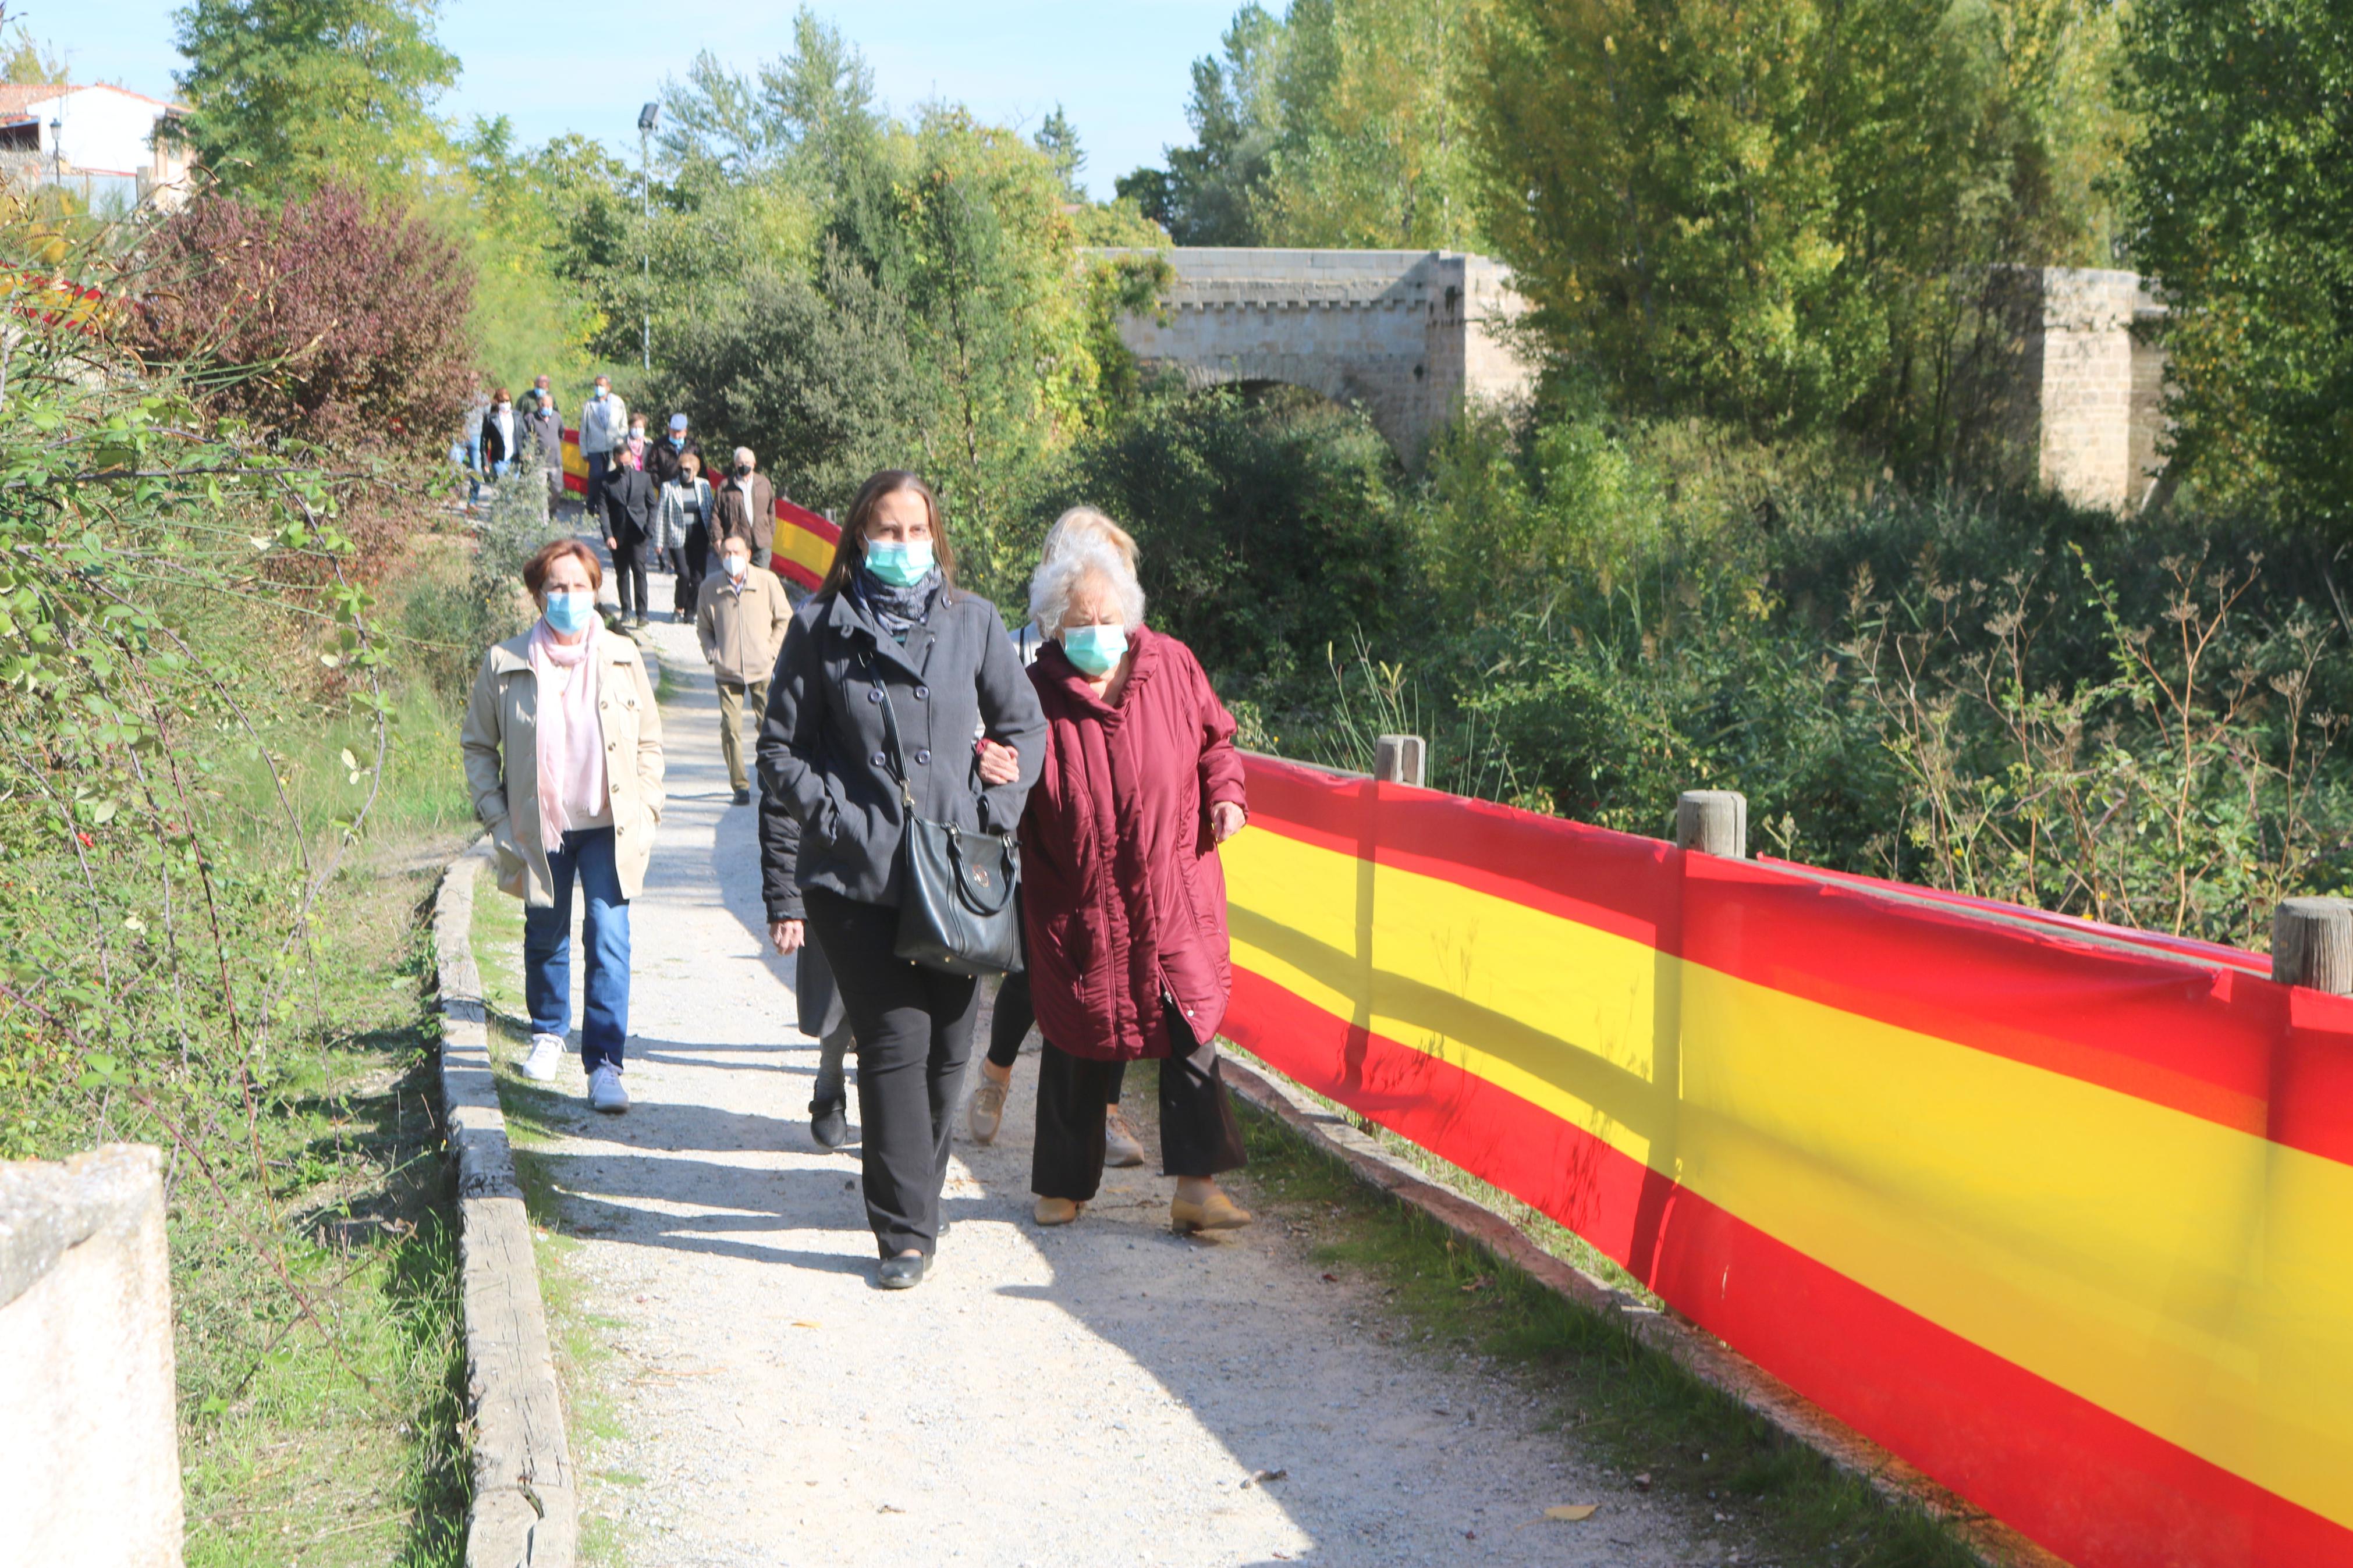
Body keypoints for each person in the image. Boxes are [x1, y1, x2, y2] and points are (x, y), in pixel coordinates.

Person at [757, 470, 1045, 1289]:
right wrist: (841, 818)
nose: (901, 545)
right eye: (886, 531)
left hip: (955, 870)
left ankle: (910, 1186)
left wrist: (1000, 792)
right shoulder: (818, 627)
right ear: (858, 538)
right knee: (893, 1039)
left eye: (915, 530)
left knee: (949, 1049)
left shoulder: (975, 622)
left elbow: (1025, 725)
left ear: (935, 538)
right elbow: (780, 750)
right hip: (854, 877)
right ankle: (904, 1230)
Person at [1017, 540, 1252, 1233]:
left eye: (1108, 617)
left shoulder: (1173, 666)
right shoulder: (1034, 696)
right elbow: (1002, 770)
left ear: (1130, 614)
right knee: (1076, 1038)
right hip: (1077, 902)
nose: (1098, 633)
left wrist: (1226, 794)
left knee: (1189, 1030)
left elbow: (1217, 742)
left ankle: (1197, 1188)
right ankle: (1063, 1183)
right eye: (1080, 621)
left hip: (1170, 889)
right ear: (1055, 628)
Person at [968, 507, 1149, 1167]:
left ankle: (1104, 1112)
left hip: (1118, 848)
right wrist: (988, 758)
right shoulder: (1018, 646)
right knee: (1033, 973)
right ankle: (995, 1073)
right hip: (1040, 844)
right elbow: (982, 725)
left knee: (1121, 974)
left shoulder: (1140, 658)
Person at [460, 539, 666, 1114]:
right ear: (537, 594)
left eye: (578, 586)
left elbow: (648, 741)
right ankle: (548, 1032)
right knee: (545, 934)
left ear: (595, 589)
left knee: (609, 938)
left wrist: (648, 807)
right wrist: (498, 817)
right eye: (556, 586)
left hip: (608, 826)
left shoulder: (622, 656)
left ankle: (605, 1065)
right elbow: (478, 745)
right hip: (541, 829)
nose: (569, 597)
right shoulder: (505, 662)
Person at [759, 759, 858, 1151]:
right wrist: (786, 900)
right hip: (833, 848)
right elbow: (782, 783)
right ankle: (830, 1073)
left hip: (910, 845)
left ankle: (888, 1104)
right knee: (836, 975)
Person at [696, 531, 793, 807]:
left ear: (748, 555)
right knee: (731, 728)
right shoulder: (710, 587)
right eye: (726, 554)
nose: (731, 558)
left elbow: (785, 619)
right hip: (727, 672)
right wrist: (712, 653)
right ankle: (740, 785)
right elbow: (703, 627)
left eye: (736, 553)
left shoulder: (767, 582)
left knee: (769, 726)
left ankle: (769, 775)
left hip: (762, 668)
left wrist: (772, 650)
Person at [601, 436, 656, 628]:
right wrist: (608, 535)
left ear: (632, 459)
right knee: (622, 573)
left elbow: (652, 505)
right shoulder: (607, 482)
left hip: (639, 533)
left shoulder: (644, 478)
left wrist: (650, 528)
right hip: (618, 535)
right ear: (615, 460)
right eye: (620, 462)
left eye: (627, 462)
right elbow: (604, 511)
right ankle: (626, 610)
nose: (624, 465)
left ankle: (643, 614)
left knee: (640, 572)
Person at [655, 449, 714, 623]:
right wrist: (659, 542)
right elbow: (661, 515)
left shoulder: (703, 486)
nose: (684, 472)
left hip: (699, 536)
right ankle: (678, 607)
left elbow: (710, 510)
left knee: (698, 577)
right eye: (681, 468)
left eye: (688, 469)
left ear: (695, 471)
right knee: (684, 574)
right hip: (677, 536)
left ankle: (691, 611)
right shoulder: (669, 487)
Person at [714, 447, 777, 573]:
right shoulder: (725, 486)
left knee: (761, 579)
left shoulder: (764, 483)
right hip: (737, 542)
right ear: (735, 465)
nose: (744, 466)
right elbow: (716, 514)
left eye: (747, 463)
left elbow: (771, 511)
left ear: (754, 464)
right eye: (741, 463)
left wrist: (769, 533)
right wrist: (717, 538)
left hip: (761, 542)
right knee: (739, 579)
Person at [580, 375, 627, 513]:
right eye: (596, 385)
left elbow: (624, 425)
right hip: (595, 447)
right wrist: (584, 450)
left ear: (609, 387)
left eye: (601, 385)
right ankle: (592, 505)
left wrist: (620, 442)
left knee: (612, 476)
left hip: (614, 447)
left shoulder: (618, 402)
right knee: (595, 476)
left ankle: (608, 505)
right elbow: (584, 430)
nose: (598, 388)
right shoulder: (589, 405)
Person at [521, 388, 565, 504]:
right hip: (539, 462)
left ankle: (551, 512)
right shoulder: (530, 418)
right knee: (540, 493)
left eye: (550, 405)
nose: (548, 408)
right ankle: (543, 520)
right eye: (545, 405)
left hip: (555, 462)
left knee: (558, 490)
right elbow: (523, 437)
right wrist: (528, 452)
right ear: (538, 405)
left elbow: (561, 434)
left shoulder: (557, 417)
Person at [647, 411, 701, 488]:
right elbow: (652, 469)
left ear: (685, 431)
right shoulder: (658, 445)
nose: (676, 435)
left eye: (679, 432)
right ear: (669, 429)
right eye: (673, 431)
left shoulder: (693, 446)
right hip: (666, 489)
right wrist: (662, 486)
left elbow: (701, 470)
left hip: (689, 488)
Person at [478, 387, 520, 482]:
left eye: (507, 401)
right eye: (502, 401)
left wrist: (527, 453)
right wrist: (485, 462)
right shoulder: (491, 419)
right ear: (497, 402)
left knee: (513, 489)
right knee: (506, 488)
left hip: (515, 460)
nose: (505, 404)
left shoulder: (517, 416)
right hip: (499, 460)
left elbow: (525, 436)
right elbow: (484, 441)